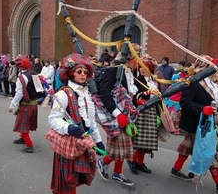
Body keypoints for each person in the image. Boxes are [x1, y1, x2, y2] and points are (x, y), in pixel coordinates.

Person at [170, 55, 218, 194]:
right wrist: (202, 109)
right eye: (211, 68)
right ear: (204, 68)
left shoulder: (210, 83)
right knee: (209, 153)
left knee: (186, 148)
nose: (215, 71)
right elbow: (185, 102)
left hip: (205, 124)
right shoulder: (193, 82)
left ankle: (175, 169)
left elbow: (214, 101)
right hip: (198, 123)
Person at [47, 53, 105, 194]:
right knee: (69, 180)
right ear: (72, 74)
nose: (83, 75)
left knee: (79, 177)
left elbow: (90, 122)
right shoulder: (63, 94)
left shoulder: (87, 94)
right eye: (79, 72)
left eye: (85, 72)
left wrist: (98, 140)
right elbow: (53, 119)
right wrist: (69, 128)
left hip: (83, 143)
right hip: (69, 145)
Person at [96, 46, 141, 187]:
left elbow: (125, 94)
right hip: (115, 116)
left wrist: (135, 102)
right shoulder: (114, 69)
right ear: (131, 58)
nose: (138, 61)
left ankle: (117, 172)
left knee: (124, 147)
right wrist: (118, 114)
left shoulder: (128, 71)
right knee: (119, 146)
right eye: (137, 57)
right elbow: (105, 94)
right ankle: (104, 163)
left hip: (125, 114)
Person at [126, 54, 159, 175]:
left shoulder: (153, 81)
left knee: (148, 140)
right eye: (140, 67)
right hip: (142, 111)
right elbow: (131, 96)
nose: (142, 70)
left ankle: (140, 162)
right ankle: (133, 161)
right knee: (141, 140)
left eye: (145, 67)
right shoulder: (137, 79)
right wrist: (137, 100)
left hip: (151, 111)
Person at [8, 56, 38, 153]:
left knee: (23, 124)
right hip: (34, 103)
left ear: (18, 67)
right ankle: (23, 138)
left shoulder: (22, 77)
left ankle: (29, 145)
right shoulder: (34, 73)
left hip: (27, 104)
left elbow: (19, 93)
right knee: (25, 124)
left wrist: (12, 105)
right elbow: (39, 88)